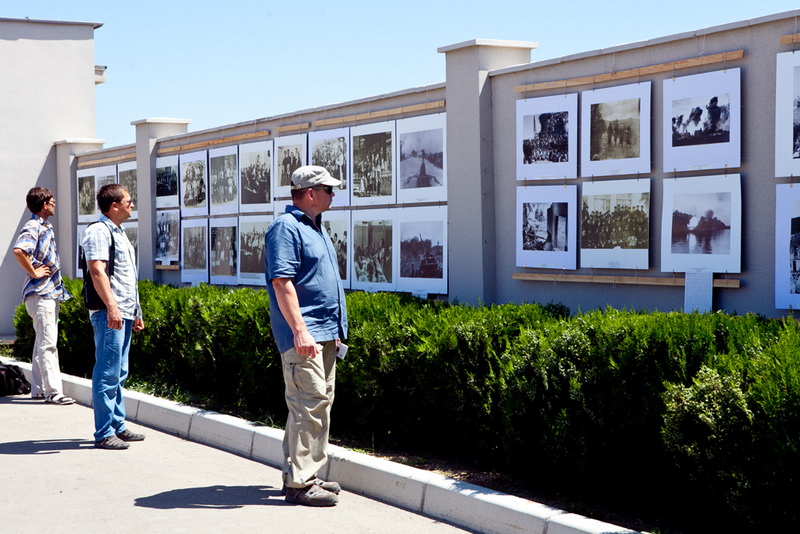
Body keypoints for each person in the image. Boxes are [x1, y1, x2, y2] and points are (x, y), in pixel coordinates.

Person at [265, 165, 348, 507]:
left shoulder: (315, 227)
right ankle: (301, 483)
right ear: (310, 193)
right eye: (329, 189)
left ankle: (301, 473)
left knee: (313, 405)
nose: (333, 194)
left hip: (325, 333)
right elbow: (282, 283)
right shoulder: (285, 228)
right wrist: (300, 331)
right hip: (306, 336)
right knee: (309, 406)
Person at [81, 184, 145, 450]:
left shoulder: (119, 232)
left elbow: (128, 277)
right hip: (110, 314)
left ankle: (117, 425)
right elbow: (97, 271)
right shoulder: (98, 231)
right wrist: (112, 308)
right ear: (114, 205)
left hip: (124, 313)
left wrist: (136, 311)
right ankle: (104, 431)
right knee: (107, 373)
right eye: (128, 201)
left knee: (119, 372)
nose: (132, 205)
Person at [12, 187, 75, 405]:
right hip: (41, 293)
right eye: (52, 200)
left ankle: (39, 389)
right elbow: (19, 250)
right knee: (49, 343)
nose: (55, 203)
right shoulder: (33, 225)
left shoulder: (45, 226)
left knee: (42, 340)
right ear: (44, 204)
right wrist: (34, 272)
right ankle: (53, 392)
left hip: (48, 293)